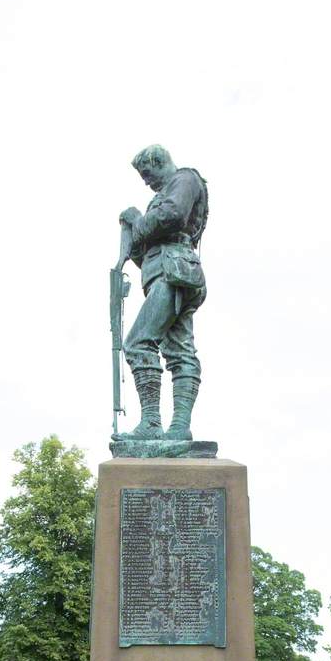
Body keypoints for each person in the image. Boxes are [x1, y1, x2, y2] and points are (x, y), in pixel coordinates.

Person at [118, 145, 208, 442]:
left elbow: (173, 216)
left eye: (147, 173)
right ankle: (176, 428)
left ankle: (154, 423)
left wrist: (136, 221)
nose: (146, 181)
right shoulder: (162, 195)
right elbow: (144, 252)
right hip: (165, 274)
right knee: (178, 350)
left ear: (159, 162)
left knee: (138, 343)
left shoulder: (185, 179)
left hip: (174, 272)